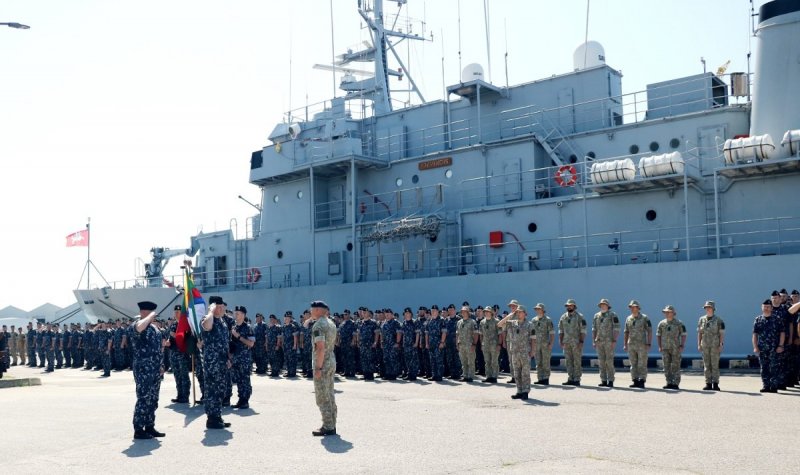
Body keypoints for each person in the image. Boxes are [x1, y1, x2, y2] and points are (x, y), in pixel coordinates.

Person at [130, 301, 166, 440]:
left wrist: (161, 365)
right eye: (150, 312)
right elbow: (139, 328)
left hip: (155, 370)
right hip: (143, 370)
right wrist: (149, 317)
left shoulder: (155, 329)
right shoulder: (137, 325)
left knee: (153, 399)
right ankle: (139, 429)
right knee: (144, 398)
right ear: (143, 312)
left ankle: (149, 426)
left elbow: (158, 350)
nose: (154, 316)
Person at [201, 296, 232, 429]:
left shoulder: (222, 322)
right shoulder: (208, 319)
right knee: (212, 390)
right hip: (212, 363)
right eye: (218, 307)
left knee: (220, 390)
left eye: (222, 307)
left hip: (222, 362)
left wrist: (228, 358)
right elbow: (206, 326)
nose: (221, 309)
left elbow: (225, 343)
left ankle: (217, 416)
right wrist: (210, 312)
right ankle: (211, 419)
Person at [309, 300, 338, 436]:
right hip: (331, 361)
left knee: (322, 396)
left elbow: (320, 348)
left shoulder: (318, 326)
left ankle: (328, 426)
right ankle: (332, 423)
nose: (310, 311)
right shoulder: (331, 323)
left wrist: (318, 368)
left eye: (312, 309)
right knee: (330, 394)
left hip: (323, 363)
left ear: (319, 310)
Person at [498, 305, 535, 400]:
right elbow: (499, 324)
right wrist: (510, 315)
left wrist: (533, 350)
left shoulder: (530, 324)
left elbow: (533, 339)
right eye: (517, 312)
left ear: (525, 314)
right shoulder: (512, 323)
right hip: (514, 351)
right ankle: (519, 391)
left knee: (525, 372)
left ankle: (525, 391)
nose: (518, 314)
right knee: (517, 373)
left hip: (525, 352)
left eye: (520, 312)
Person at [753, 299, 785, 393]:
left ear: (771, 308)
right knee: (764, 367)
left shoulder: (777, 318)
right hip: (762, 348)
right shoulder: (758, 319)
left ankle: (774, 386)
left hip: (774, 348)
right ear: (761, 308)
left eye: (768, 307)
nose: (766, 308)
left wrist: (781, 345)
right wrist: (755, 347)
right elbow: (755, 334)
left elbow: (782, 333)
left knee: (774, 367)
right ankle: (766, 385)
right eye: (764, 307)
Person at [656, 305, 686, 390]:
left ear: (673, 313)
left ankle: (675, 383)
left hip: (675, 347)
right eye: (665, 312)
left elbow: (684, 334)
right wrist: (660, 346)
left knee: (675, 366)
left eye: (668, 312)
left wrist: (682, 345)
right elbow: (658, 335)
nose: (667, 313)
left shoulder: (679, 323)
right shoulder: (661, 323)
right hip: (665, 348)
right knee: (666, 366)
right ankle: (669, 382)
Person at [230, 305, 255, 409]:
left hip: (244, 358)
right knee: (238, 380)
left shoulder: (248, 327)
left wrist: (239, 336)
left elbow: (251, 344)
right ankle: (241, 399)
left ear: (243, 315)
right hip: (235, 358)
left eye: (238, 313)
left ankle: (245, 400)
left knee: (245, 379)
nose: (236, 315)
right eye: (235, 313)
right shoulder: (234, 327)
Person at [697, 300, 725, 391]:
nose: (707, 309)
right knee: (706, 365)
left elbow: (721, 333)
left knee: (715, 365)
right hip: (705, 345)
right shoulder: (702, 319)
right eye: (706, 308)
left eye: (709, 307)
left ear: (713, 308)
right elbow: (700, 333)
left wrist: (721, 344)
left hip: (715, 345)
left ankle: (715, 384)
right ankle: (708, 383)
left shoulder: (719, 320)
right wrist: (699, 344)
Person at [623, 300, 651, 389]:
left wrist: (649, 343)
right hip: (631, 344)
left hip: (642, 344)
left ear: (638, 308)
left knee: (642, 363)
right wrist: (625, 344)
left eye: (634, 307)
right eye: (631, 307)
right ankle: (635, 380)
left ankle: (642, 380)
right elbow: (626, 332)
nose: (632, 308)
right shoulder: (628, 318)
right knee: (633, 363)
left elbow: (649, 331)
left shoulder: (644, 318)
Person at [592, 299, 619, 388]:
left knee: (609, 361)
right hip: (599, 342)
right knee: (601, 362)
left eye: (604, 305)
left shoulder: (612, 315)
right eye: (601, 305)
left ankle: (610, 380)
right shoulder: (596, 316)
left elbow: (616, 328)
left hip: (609, 341)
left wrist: (614, 340)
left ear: (608, 306)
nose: (603, 306)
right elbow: (594, 329)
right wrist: (594, 340)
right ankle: (603, 380)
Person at [559, 299, 586, 386]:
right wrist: (561, 341)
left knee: (577, 361)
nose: (569, 307)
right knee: (568, 361)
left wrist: (581, 341)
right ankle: (570, 378)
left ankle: (577, 379)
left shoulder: (580, 316)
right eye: (568, 305)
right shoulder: (563, 317)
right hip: (566, 342)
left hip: (576, 342)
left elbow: (583, 330)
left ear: (574, 306)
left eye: (571, 305)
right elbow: (561, 330)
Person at [168, 305, 191, 404]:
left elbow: (187, 339)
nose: (176, 313)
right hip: (174, 353)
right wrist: (169, 342)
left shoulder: (185, 325)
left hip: (182, 354)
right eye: (175, 312)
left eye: (178, 312)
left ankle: (185, 396)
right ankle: (180, 395)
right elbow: (171, 338)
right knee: (177, 375)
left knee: (184, 375)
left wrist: (176, 336)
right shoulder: (173, 325)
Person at [530, 303, 554, 385]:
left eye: (539, 309)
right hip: (536, 345)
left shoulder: (548, 320)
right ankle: (540, 378)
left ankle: (546, 378)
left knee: (545, 361)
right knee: (538, 362)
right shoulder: (533, 320)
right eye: (536, 309)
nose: (537, 310)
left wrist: (551, 343)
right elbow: (531, 334)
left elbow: (552, 333)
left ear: (543, 310)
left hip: (545, 344)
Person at [455, 305, 478, 382]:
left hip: (470, 345)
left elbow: (476, 334)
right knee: (463, 361)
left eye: (465, 312)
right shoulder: (459, 322)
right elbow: (457, 334)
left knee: (471, 361)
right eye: (462, 312)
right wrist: (457, 344)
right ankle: (465, 375)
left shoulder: (472, 322)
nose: (463, 313)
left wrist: (474, 344)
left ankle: (470, 376)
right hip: (461, 345)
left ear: (468, 313)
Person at [479, 306, 501, 383]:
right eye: (485, 312)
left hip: (494, 344)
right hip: (485, 344)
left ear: (491, 312)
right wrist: (482, 344)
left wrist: (499, 344)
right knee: (487, 361)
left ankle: (494, 377)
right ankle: (488, 376)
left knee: (494, 361)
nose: (486, 313)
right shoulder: (482, 322)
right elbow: (481, 334)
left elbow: (500, 334)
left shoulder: (496, 321)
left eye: (488, 311)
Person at [356, 309, 379, 380]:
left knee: (370, 359)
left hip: (370, 344)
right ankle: (365, 374)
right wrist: (358, 341)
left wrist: (375, 342)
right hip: (363, 344)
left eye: (365, 312)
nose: (364, 314)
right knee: (363, 359)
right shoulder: (360, 323)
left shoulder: (373, 323)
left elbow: (377, 333)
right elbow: (358, 333)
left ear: (369, 313)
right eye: (363, 313)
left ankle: (370, 375)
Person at [425, 305, 446, 382]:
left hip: (438, 344)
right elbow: (427, 333)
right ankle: (434, 375)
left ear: (438, 311)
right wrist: (427, 343)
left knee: (439, 360)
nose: (433, 312)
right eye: (432, 310)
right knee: (432, 360)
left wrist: (442, 342)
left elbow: (444, 332)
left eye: (434, 310)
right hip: (431, 344)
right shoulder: (429, 321)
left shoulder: (441, 320)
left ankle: (439, 376)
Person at [380, 309, 402, 380]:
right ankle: (388, 373)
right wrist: (382, 342)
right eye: (386, 314)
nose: (387, 315)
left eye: (388, 314)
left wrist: (397, 342)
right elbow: (382, 333)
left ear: (392, 315)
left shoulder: (395, 323)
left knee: (393, 359)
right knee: (386, 359)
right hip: (386, 345)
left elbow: (399, 333)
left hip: (393, 344)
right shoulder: (384, 323)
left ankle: (393, 374)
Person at [400, 307, 420, 381]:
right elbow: (402, 334)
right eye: (406, 313)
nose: (407, 315)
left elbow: (418, 333)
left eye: (408, 313)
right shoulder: (404, 323)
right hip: (406, 345)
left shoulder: (414, 322)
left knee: (413, 360)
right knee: (407, 360)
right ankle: (409, 373)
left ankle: (413, 375)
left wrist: (416, 343)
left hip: (412, 344)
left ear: (411, 314)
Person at [337, 310, 357, 378]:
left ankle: (352, 372)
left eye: (347, 314)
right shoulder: (342, 324)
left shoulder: (352, 323)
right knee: (344, 358)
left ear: (349, 315)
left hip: (349, 343)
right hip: (343, 343)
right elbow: (339, 334)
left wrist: (353, 341)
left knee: (350, 358)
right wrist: (338, 341)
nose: (345, 316)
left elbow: (354, 333)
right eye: (344, 314)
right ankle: (346, 371)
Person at [280, 312, 299, 378]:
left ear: (290, 319)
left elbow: (295, 337)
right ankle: (288, 372)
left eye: (287, 318)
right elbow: (283, 336)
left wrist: (294, 345)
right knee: (287, 359)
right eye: (285, 318)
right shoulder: (284, 327)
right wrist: (282, 344)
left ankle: (292, 373)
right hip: (285, 346)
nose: (286, 319)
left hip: (291, 346)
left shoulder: (293, 326)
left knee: (292, 360)